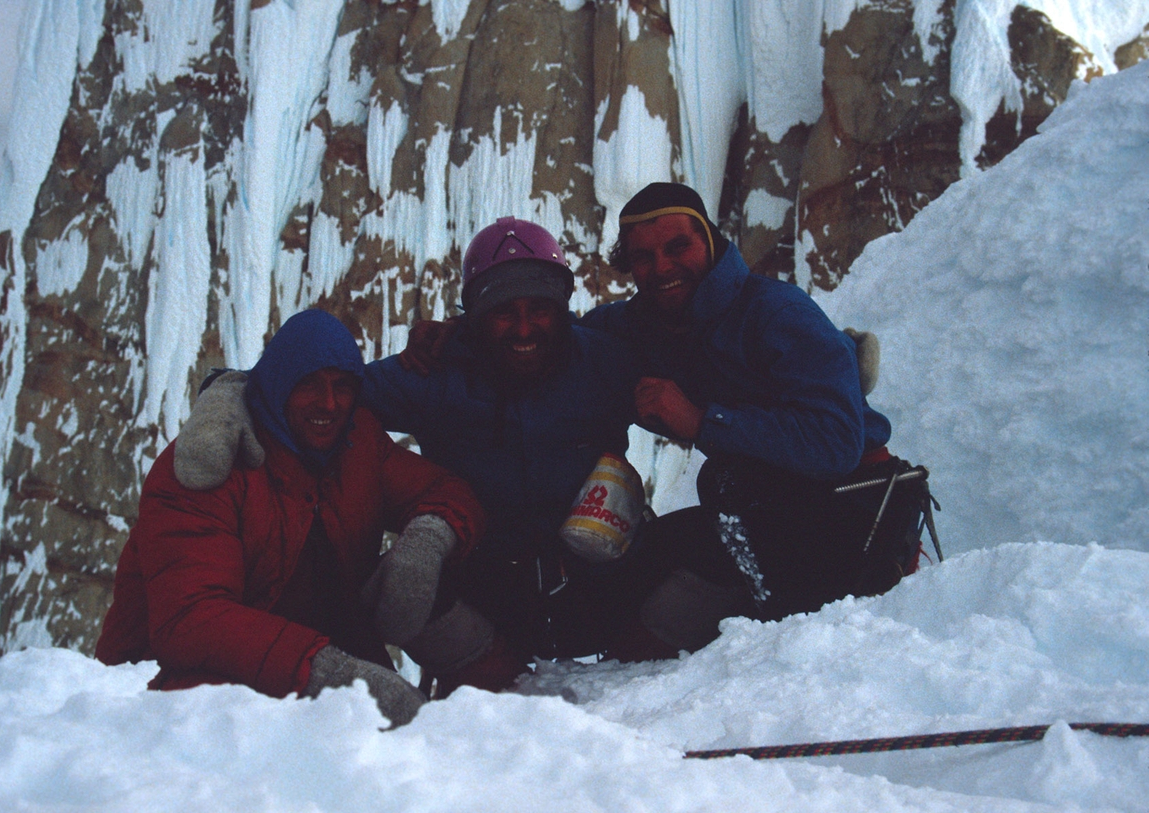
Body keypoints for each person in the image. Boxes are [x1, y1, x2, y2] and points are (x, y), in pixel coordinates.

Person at [172, 219, 670, 688]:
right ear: (474, 318)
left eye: (539, 308)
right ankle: (491, 675)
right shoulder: (435, 376)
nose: (523, 328)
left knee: (701, 540)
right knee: (396, 585)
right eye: (502, 312)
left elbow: (691, 361)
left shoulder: (603, 360)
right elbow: (322, 395)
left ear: (562, 308)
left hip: (598, 577)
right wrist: (232, 391)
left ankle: (641, 671)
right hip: (491, 593)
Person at [95, 309, 485, 727]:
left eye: (343, 387)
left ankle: (504, 695)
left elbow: (446, 492)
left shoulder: (356, 444)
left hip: (296, 657)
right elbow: (193, 620)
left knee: (435, 594)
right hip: (165, 681)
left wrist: (424, 543)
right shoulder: (208, 466)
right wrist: (332, 675)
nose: (329, 403)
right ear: (278, 386)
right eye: (309, 385)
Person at [581, 182, 928, 631]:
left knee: (722, 487)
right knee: (639, 564)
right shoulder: (645, 322)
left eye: (677, 246)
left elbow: (837, 442)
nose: (662, 267)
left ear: (707, 239)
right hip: (763, 510)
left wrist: (703, 421)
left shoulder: (777, 312)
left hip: (850, 508)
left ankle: (783, 630)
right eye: (643, 256)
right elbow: (569, 338)